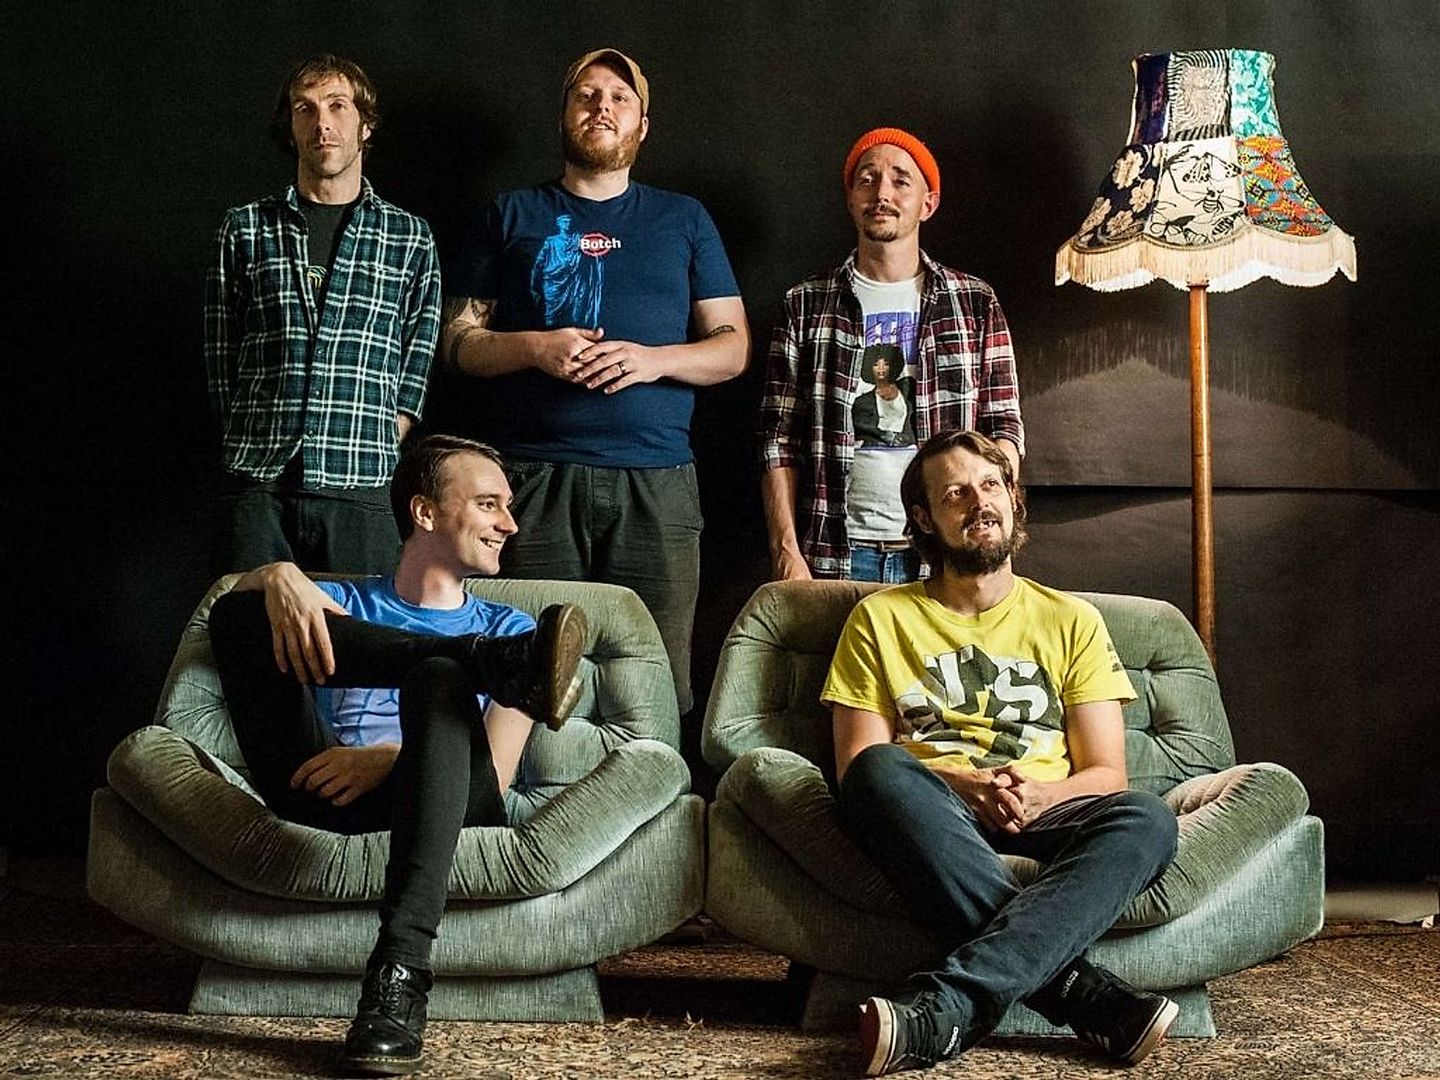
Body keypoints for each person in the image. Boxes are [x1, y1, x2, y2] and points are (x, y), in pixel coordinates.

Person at [207, 435, 588, 1076]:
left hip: (455, 805)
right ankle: (470, 663)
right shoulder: (346, 606)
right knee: (237, 616)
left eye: (508, 506)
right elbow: (232, 617)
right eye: (489, 503)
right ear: (425, 511)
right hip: (329, 792)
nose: (510, 524)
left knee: (438, 678)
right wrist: (277, 576)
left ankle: (398, 978)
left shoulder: (517, 632)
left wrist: (388, 758)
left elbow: (495, 774)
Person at [822, 430, 1179, 1075]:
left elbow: (1106, 772)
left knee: (1147, 817)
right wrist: (963, 785)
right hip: (933, 813)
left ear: (1012, 499)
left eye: (991, 485)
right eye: (955, 494)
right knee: (879, 769)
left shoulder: (1071, 619)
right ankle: (1088, 998)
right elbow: (857, 766)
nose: (979, 502)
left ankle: (948, 1008)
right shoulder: (879, 618)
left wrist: (1042, 795)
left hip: (1045, 807)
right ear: (924, 519)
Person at [440, 47, 749, 716]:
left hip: (656, 482)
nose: (601, 107)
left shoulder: (684, 219)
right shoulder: (510, 214)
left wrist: (654, 360)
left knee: (654, 684)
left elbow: (733, 349)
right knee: (529, 679)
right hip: (532, 480)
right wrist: (534, 347)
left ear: (642, 125)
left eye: (618, 97)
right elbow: (458, 345)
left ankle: (654, 783)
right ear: (564, 116)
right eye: (586, 95)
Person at [204, 53, 441, 577]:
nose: (322, 123)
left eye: (337, 106)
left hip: (359, 477)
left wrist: (391, 428)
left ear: (365, 125)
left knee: (360, 625)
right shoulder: (245, 228)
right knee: (251, 624)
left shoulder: (408, 237)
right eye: (304, 109)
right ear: (290, 127)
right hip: (259, 481)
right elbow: (221, 352)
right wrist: (246, 427)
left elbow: (419, 350)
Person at [760, 128, 1024, 586]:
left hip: (947, 556)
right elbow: (778, 439)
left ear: (928, 203)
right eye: (867, 179)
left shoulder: (974, 302)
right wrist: (786, 552)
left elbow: (1003, 430)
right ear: (851, 199)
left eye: (901, 181)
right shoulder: (805, 304)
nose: (881, 193)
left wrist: (993, 540)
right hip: (834, 555)